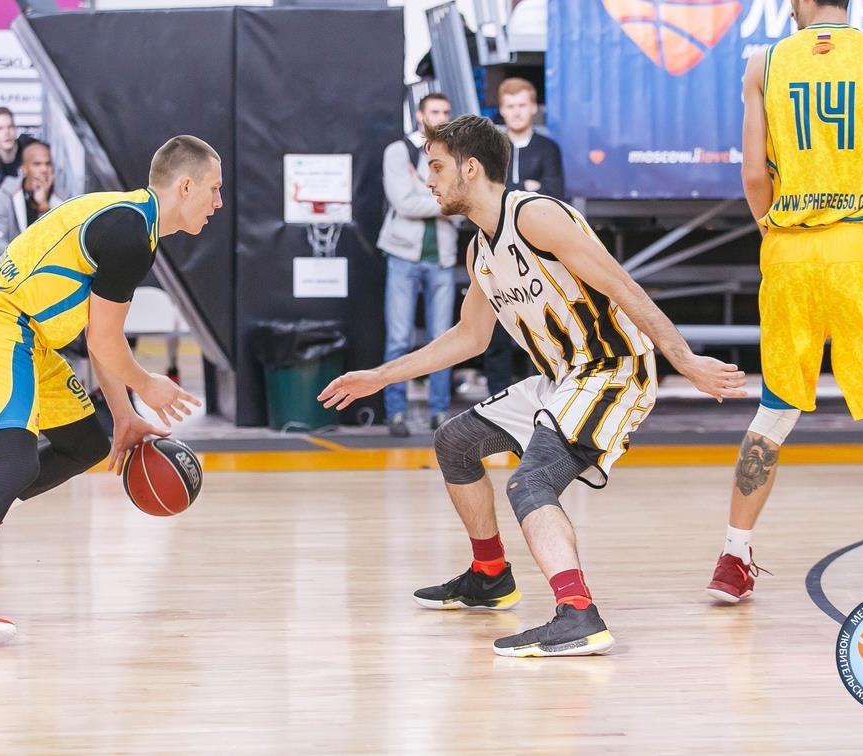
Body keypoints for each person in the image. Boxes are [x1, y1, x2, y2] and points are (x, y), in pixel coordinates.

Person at [319, 114, 745, 657]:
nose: (428, 180)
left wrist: (684, 360)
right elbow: (470, 337)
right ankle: (490, 575)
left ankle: (578, 614)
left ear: (470, 169)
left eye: (436, 167)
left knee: (531, 482)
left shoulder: (536, 216)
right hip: (561, 379)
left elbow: (622, 285)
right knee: (455, 442)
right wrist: (380, 376)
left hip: (612, 371)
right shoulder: (480, 250)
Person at [0, 135, 221, 645]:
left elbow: (101, 339)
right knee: (16, 463)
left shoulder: (130, 220)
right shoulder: (129, 232)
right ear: (185, 185)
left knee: (87, 444)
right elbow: (104, 340)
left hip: (28, 335)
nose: (218, 202)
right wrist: (147, 384)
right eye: (214, 188)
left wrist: (124, 415)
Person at [705, 0, 863, 613]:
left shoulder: (763, 64)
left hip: (789, 250)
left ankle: (733, 559)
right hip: (860, 250)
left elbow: (754, 177)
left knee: (774, 412)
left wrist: (776, 234)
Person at [376, 93, 458, 436]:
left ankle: (440, 412)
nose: (441, 117)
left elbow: (462, 202)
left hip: (442, 256)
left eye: (446, 112)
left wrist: (425, 193)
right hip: (403, 254)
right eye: (434, 111)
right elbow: (404, 203)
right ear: (421, 115)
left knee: (444, 340)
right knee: (399, 338)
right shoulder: (399, 151)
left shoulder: (455, 153)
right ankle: (396, 412)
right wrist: (445, 199)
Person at [483, 78, 566, 397]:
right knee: (498, 331)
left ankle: (545, 399)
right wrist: (528, 189)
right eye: (510, 106)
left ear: (533, 108)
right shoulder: (491, 148)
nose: (516, 112)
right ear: (501, 110)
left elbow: (555, 194)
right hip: (497, 252)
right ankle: (497, 398)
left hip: (537, 254)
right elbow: (485, 194)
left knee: (542, 328)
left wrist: (511, 191)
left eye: (522, 105)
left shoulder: (548, 148)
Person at [0, 141, 64, 249]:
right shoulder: (4, 195)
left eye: (48, 164)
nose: (44, 169)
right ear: (24, 168)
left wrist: (43, 207)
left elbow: (60, 241)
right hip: (12, 257)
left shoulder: (63, 198)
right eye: (37, 164)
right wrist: (17, 257)